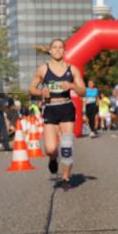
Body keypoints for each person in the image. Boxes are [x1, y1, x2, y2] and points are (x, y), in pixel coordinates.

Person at [28, 38, 86, 190]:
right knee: (50, 149)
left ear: (64, 50)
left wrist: (72, 85)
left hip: (66, 107)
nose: (58, 50)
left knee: (66, 147)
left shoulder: (72, 69)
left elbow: (83, 91)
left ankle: (66, 179)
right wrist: (41, 91)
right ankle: (53, 159)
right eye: (55, 47)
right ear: (50, 50)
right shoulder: (42, 69)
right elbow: (31, 89)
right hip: (50, 108)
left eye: (61, 47)